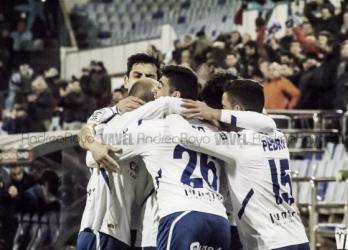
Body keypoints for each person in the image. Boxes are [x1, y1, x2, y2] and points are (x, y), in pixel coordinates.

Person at [93, 66, 231, 250]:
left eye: (160, 86)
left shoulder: (153, 129)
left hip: (181, 216)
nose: (155, 91)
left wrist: (98, 132)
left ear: (174, 95)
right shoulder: (214, 129)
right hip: (220, 222)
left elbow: (95, 156)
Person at [166, 79, 309, 250]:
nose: (219, 112)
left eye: (223, 108)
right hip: (298, 237)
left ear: (237, 110)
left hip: (270, 242)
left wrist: (169, 108)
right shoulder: (277, 135)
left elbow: (185, 136)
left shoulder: (239, 143)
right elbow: (263, 120)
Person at [78, 53, 162, 250]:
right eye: (137, 75)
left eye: (150, 76)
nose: (143, 80)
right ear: (126, 81)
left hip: (141, 229)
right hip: (107, 225)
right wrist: (95, 146)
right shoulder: (109, 115)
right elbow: (84, 133)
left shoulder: (164, 121)